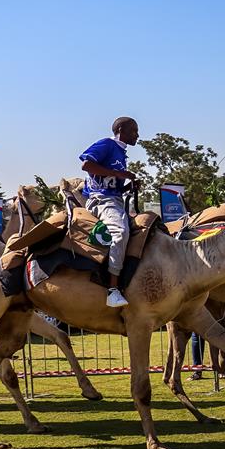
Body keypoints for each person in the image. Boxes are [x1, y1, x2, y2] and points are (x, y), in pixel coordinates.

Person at [79, 116, 140, 308]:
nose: (137, 135)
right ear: (121, 129)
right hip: (101, 201)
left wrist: (128, 186)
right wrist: (121, 174)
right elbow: (86, 165)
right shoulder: (107, 144)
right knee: (120, 233)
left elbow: (111, 185)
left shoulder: (122, 154)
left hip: (115, 200)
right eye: (134, 130)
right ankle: (113, 290)